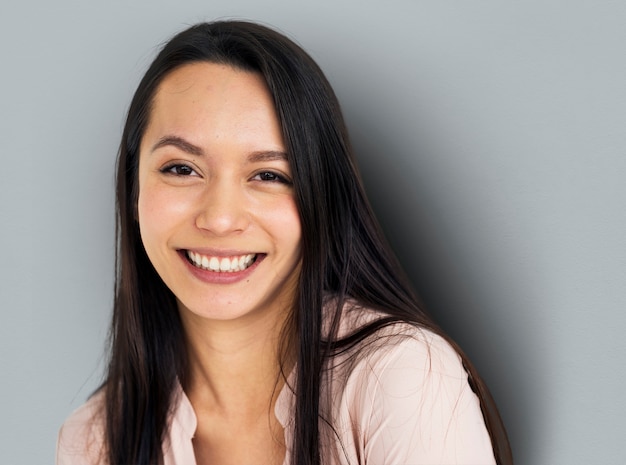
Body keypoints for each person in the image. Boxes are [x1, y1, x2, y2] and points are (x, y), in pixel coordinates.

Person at [56, 20, 513, 465]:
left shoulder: (399, 376)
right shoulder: (95, 440)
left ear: (320, 200)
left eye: (269, 175)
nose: (219, 218)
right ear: (134, 188)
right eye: (181, 169)